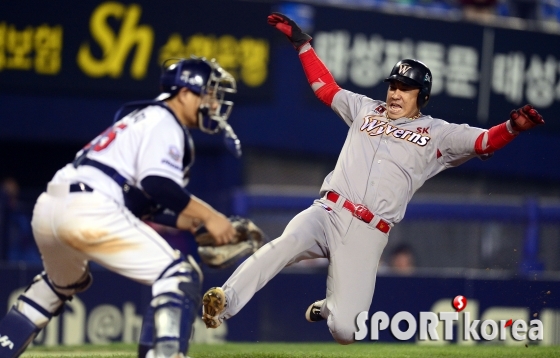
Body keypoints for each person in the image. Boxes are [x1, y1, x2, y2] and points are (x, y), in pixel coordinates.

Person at [200, 12, 545, 345]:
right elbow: (325, 89)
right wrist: (303, 46)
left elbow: (484, 142)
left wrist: (513, 127)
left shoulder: (439, 133)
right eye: (393, 85)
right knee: (280, 247)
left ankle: (328, 309)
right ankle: (223, 302)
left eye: (405, 88)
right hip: (328, 210)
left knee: (346, 332)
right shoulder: (366, 109)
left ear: (420, 97)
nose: (395, 93)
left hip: (368, 232)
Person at [0, 57, 238, 358]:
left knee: (55, 286)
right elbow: (156, 183)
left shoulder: (142, 119)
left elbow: (136, 202)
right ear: (185, 93)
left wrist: (186, 220)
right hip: (88, 206)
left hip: (50, 207)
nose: (214, 104)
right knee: (179, 273)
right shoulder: (165, 120)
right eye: (210, 94)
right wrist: (211, 216)